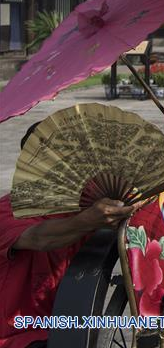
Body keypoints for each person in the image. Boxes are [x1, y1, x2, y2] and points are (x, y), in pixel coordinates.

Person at [1, 125, 139, 348]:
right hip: (18, 334)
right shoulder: (9, 208)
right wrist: (86, 222)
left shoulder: (88, 195)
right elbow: (38, 238)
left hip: (69, 322)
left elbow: (131, 194)